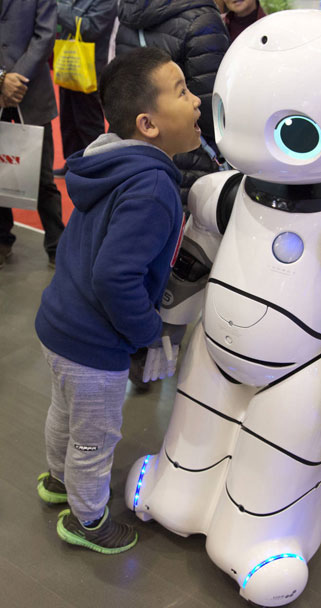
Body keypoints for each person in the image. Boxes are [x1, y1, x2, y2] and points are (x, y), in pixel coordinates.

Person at [35, 46, 202, 553]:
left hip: (59, 324)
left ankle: (58, 480)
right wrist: (148, 332)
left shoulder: (110, 163)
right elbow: (115, 277)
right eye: (182, 92)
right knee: (95, 436)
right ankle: (87, 521)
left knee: (64, 413)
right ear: (148, 124)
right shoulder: (152, 188)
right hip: (94, 346)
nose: (197, 101)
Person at [115, 0, 230, 206]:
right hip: (194, 156)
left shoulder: (129, 15)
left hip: (139, 151)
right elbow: (214, 111)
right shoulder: (202, 19)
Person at [0, 0, 64, 269]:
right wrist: (1, 79)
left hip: (31, 92)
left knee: (43, 178)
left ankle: (57, 246)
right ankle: (2, 239)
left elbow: (45, 36)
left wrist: (15, 79)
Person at [53, 0, 117, 176]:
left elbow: (91, 28)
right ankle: (72, 162)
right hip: (68, 63)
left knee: (88, 121)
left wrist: (59, 9)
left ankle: (94, 165)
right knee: (68, 119)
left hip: (90, 67)